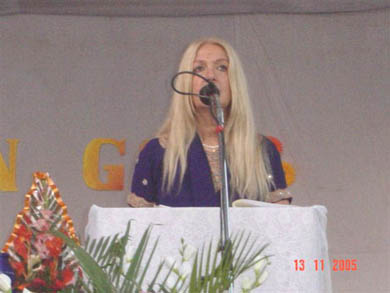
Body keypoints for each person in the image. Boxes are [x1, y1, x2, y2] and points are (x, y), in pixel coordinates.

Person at [128, 38, 292, 207]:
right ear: (186, 81)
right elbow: (139, 227)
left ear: (234, 81)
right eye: (199, 68)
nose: (210, 76)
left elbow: (279, 223)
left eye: (222, 67)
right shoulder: (157, 152)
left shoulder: (261, 150)